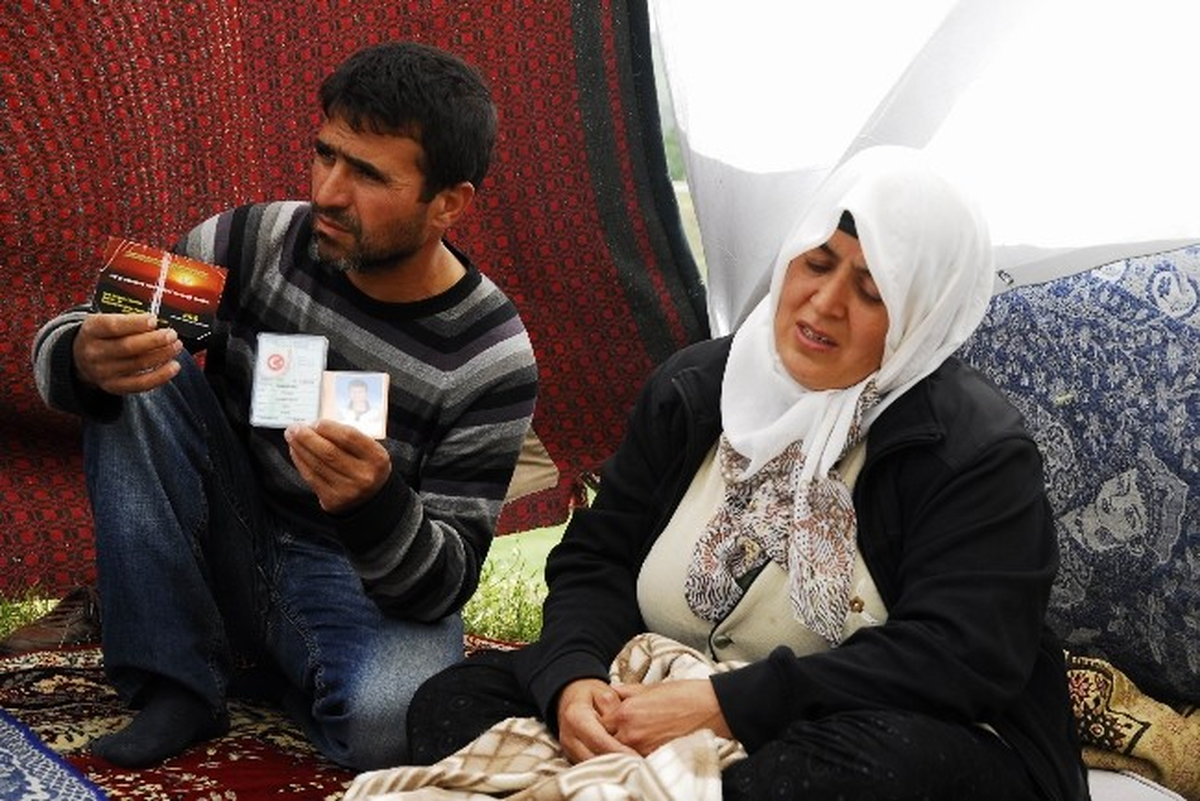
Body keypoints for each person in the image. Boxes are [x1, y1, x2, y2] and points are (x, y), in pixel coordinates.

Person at [403, 146, 1088, 800]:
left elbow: (956, 656)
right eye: (817, 262)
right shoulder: (698, 390)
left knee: (858, 777)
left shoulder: (973, 451)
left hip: (848, 728)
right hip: (661, 703)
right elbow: (598, 558)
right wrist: (574, 680)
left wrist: (725, 706)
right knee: (452, 701)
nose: (824, 303)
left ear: (920, 316)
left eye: (872, 290)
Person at [30, 41, 538, 771]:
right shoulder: (251, 239)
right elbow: (81, 329)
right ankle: (175, 679)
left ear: (448, 204)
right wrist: (82, 354)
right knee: (142, 363)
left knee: (392, 726)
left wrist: (374, 500)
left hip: (353, 572)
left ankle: (262, 656)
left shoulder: (491, 359)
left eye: (367, 173)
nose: (329, 192)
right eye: (326, 155)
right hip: (229, 526)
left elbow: (447, 580)